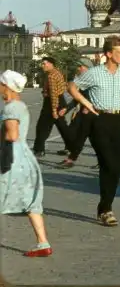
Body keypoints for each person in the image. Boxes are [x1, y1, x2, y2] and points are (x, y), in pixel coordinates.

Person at [67, 36, 120, 226]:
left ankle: (105, 207)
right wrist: (86, 103)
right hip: (99, 120)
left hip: (118, 120)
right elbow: (72, 86)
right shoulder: (94, 73)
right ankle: (106, 209)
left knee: (116, 166)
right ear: (108, 54)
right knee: (107, 162)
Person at [0, 70, 52, 257]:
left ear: (7, 86)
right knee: (31, 201)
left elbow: (12, 134)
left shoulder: (10, 108)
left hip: (10, 159)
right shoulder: (21, 105)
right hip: (24, 158)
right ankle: (43, 243)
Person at [59, 57, 96, 169]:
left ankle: (71, 159)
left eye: (80, 66)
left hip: (92, 112)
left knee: (91, 138)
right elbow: (77, 98)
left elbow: (99, 96)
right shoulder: (83, 80)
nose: (78, 68)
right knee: (74, 134)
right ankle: (71, 157)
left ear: (87, 68)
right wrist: (66, 109)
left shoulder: (94, 79)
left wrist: (90, 106)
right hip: (83, 112)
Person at [32, 57, 71, 158]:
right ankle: (72, 147)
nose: (43, 66)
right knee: (63, 127)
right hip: (60, 101)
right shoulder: (57, 73)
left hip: (52, 103)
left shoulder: (51, 76)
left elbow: (53, 94)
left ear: (51, 64)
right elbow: (61, 88)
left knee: (42, 127)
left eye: (44, 63)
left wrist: (54, 109)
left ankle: (39, 150)